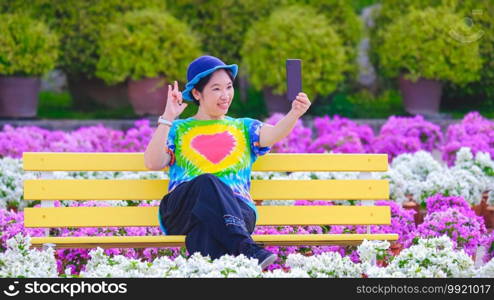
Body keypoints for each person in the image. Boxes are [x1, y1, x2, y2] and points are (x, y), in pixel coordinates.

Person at [144, 55, 311, 270]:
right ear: (197, 93)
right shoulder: (177, 129)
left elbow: (274, 133)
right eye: (216, 89)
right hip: (182, 210)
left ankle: (210, 272)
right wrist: (168, 117)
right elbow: (152, 162)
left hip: (238, 212)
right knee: (207, 182)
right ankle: (246, 248)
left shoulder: (244, 127)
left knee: (205, 227)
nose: (225, 95)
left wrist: (295, 113)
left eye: (229, 87)